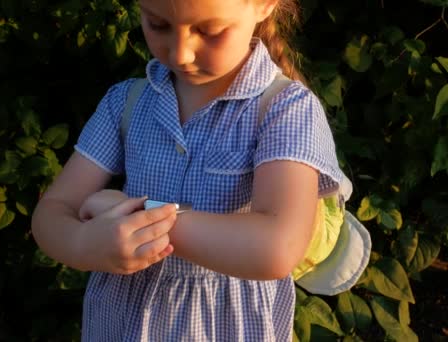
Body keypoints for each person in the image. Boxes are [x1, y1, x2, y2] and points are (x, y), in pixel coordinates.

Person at [31, 0, 343, 340]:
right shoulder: (126, 102)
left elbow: (277, 247)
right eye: (158, 24)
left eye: (210, 31)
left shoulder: (284, 110)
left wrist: (137, 218)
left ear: (264, 6)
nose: (180, 54)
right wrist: (82, 242)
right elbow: (53, 210)